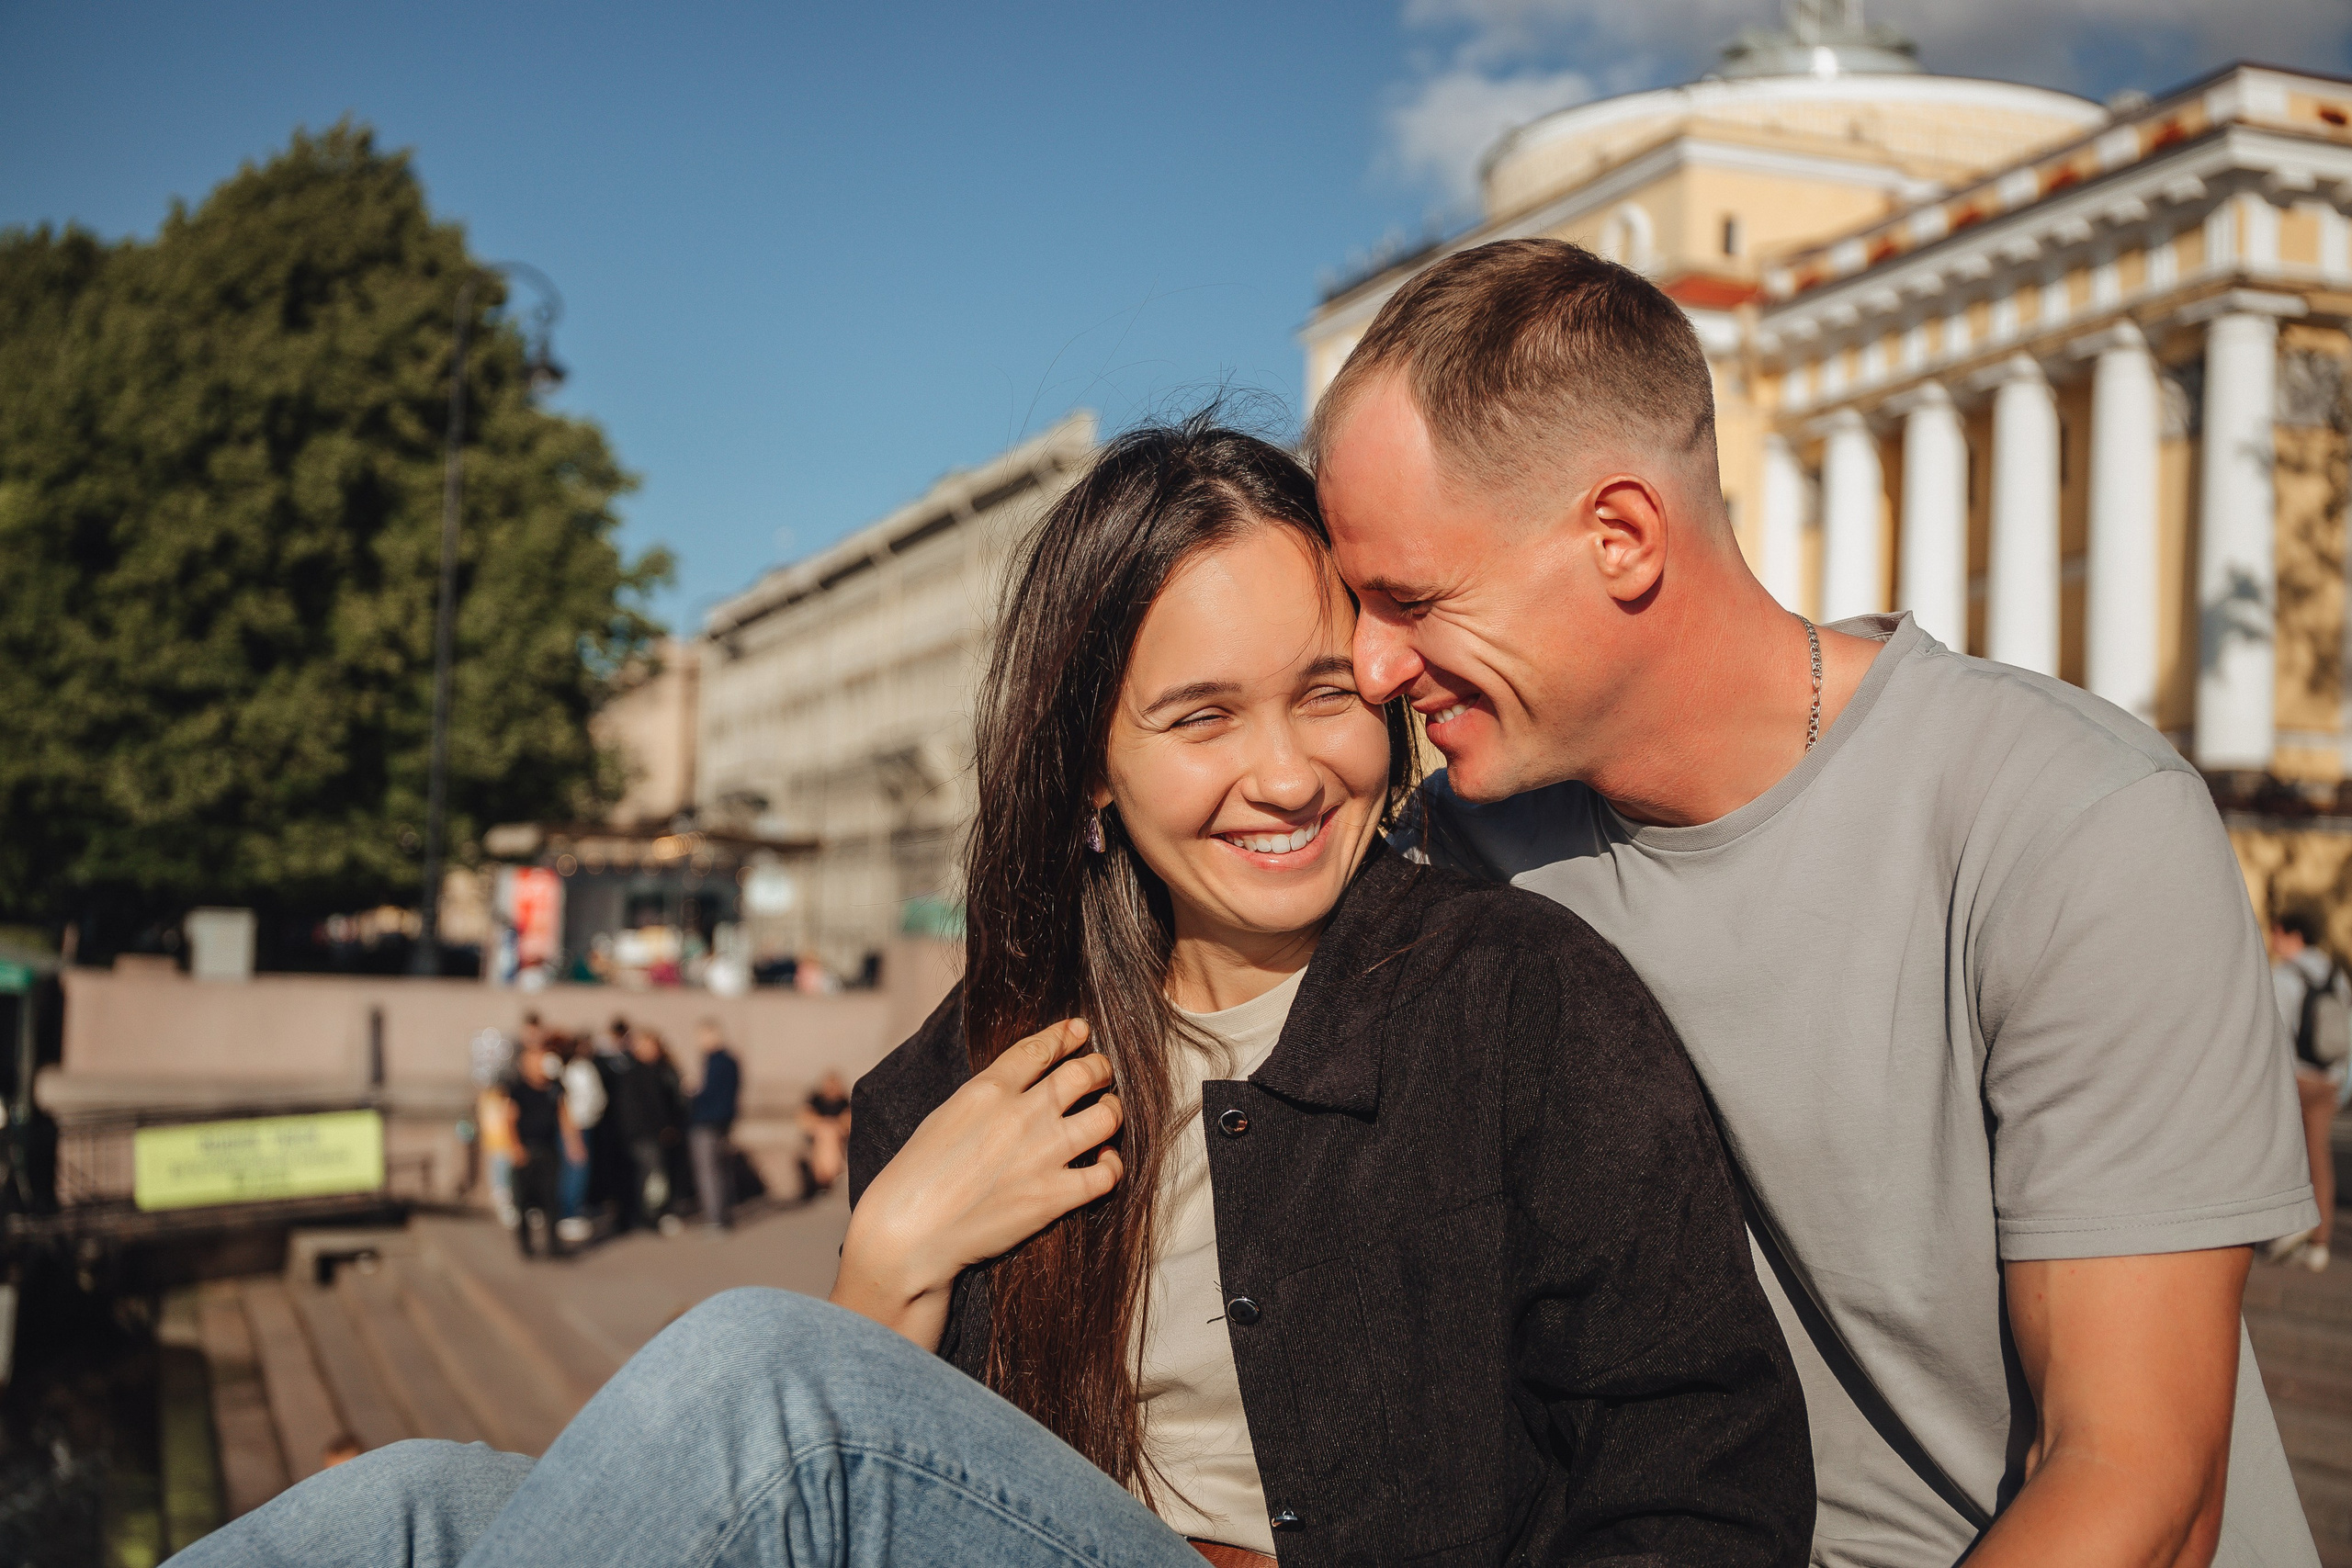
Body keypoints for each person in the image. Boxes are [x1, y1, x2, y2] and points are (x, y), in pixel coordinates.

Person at [170, 419, 1810, 1567]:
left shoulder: (1517, 1001)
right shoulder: (959, 1079)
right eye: (1201, 716)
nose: (1284, 771)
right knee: (390, 1513)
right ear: (1090, 765)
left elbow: (1705, 1478)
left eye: (1325, 694)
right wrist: (890, 1255)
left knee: (762, 1390)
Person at [1307, 237, 2320, 1567]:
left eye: (1410, 599)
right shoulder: (1461, 850)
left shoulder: (2073, 823)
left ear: (1621, 536)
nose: (1371, 665)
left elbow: (2138, 1487)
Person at [2267, 907, 2346, 1271]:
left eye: (2277, 932)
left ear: (2292, 935)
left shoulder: (2284, 976)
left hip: (2297, 1077)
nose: (2273, 940)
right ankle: (2320, 1245)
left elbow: (2277, 1032)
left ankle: (2289, 1227)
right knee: (2319, 1156)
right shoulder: (2335, 974)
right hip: (2328, 1080)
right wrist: (2341, 1078)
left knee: (2282, 1150)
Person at [506, 1041, 585, 1260]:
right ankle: (526, 1245)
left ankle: (553, 1244)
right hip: (526, 1150)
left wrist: (574, 1144)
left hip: (548, 1150)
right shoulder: (518, 1089)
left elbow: (564, 1117)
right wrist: (516, 1147)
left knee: (551, 1199)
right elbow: (509, 1119)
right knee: (523, 1201)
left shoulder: (555, 1088)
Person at [610, 1025, 685, 1235]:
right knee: (651, 1176)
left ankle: (653, 1213)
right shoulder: (633, 1074)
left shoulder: (662, 1070)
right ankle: (650, 1215)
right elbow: (633, 1109)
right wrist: (653, 1129)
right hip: (643, 1135)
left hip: (659, 1134)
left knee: (656, 1176)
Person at [686, 1019, 741, 1232]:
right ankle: (723, 1214)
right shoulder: (731, 1060)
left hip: (706, 1121)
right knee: (721, 1170)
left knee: (708, 1171)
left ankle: (715, 1218)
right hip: (723, 1121)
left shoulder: (715, 1061)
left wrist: (692, 1094)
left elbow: (708, 1094)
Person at [555, 1032, 606, 1246]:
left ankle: (575, 1210)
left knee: (580, 1170)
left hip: (586, 1125)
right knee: (575, 1170)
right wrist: (572, 1135)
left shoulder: (583, 1068)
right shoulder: (574, 1070)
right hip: (575, 1126)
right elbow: (567, 1104)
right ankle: (569, 1213)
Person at [795, 1068, 852, 1199]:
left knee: (829, 1136)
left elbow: (848, 1121)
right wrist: (825, 1125)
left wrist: (832, 1127)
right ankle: (826, 1178)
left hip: (836, 1142)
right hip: (819, 1141)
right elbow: (804, 1119)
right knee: (826, 1134)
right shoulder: (816, 1100)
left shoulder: (844, 1102)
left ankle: (826, 1178)